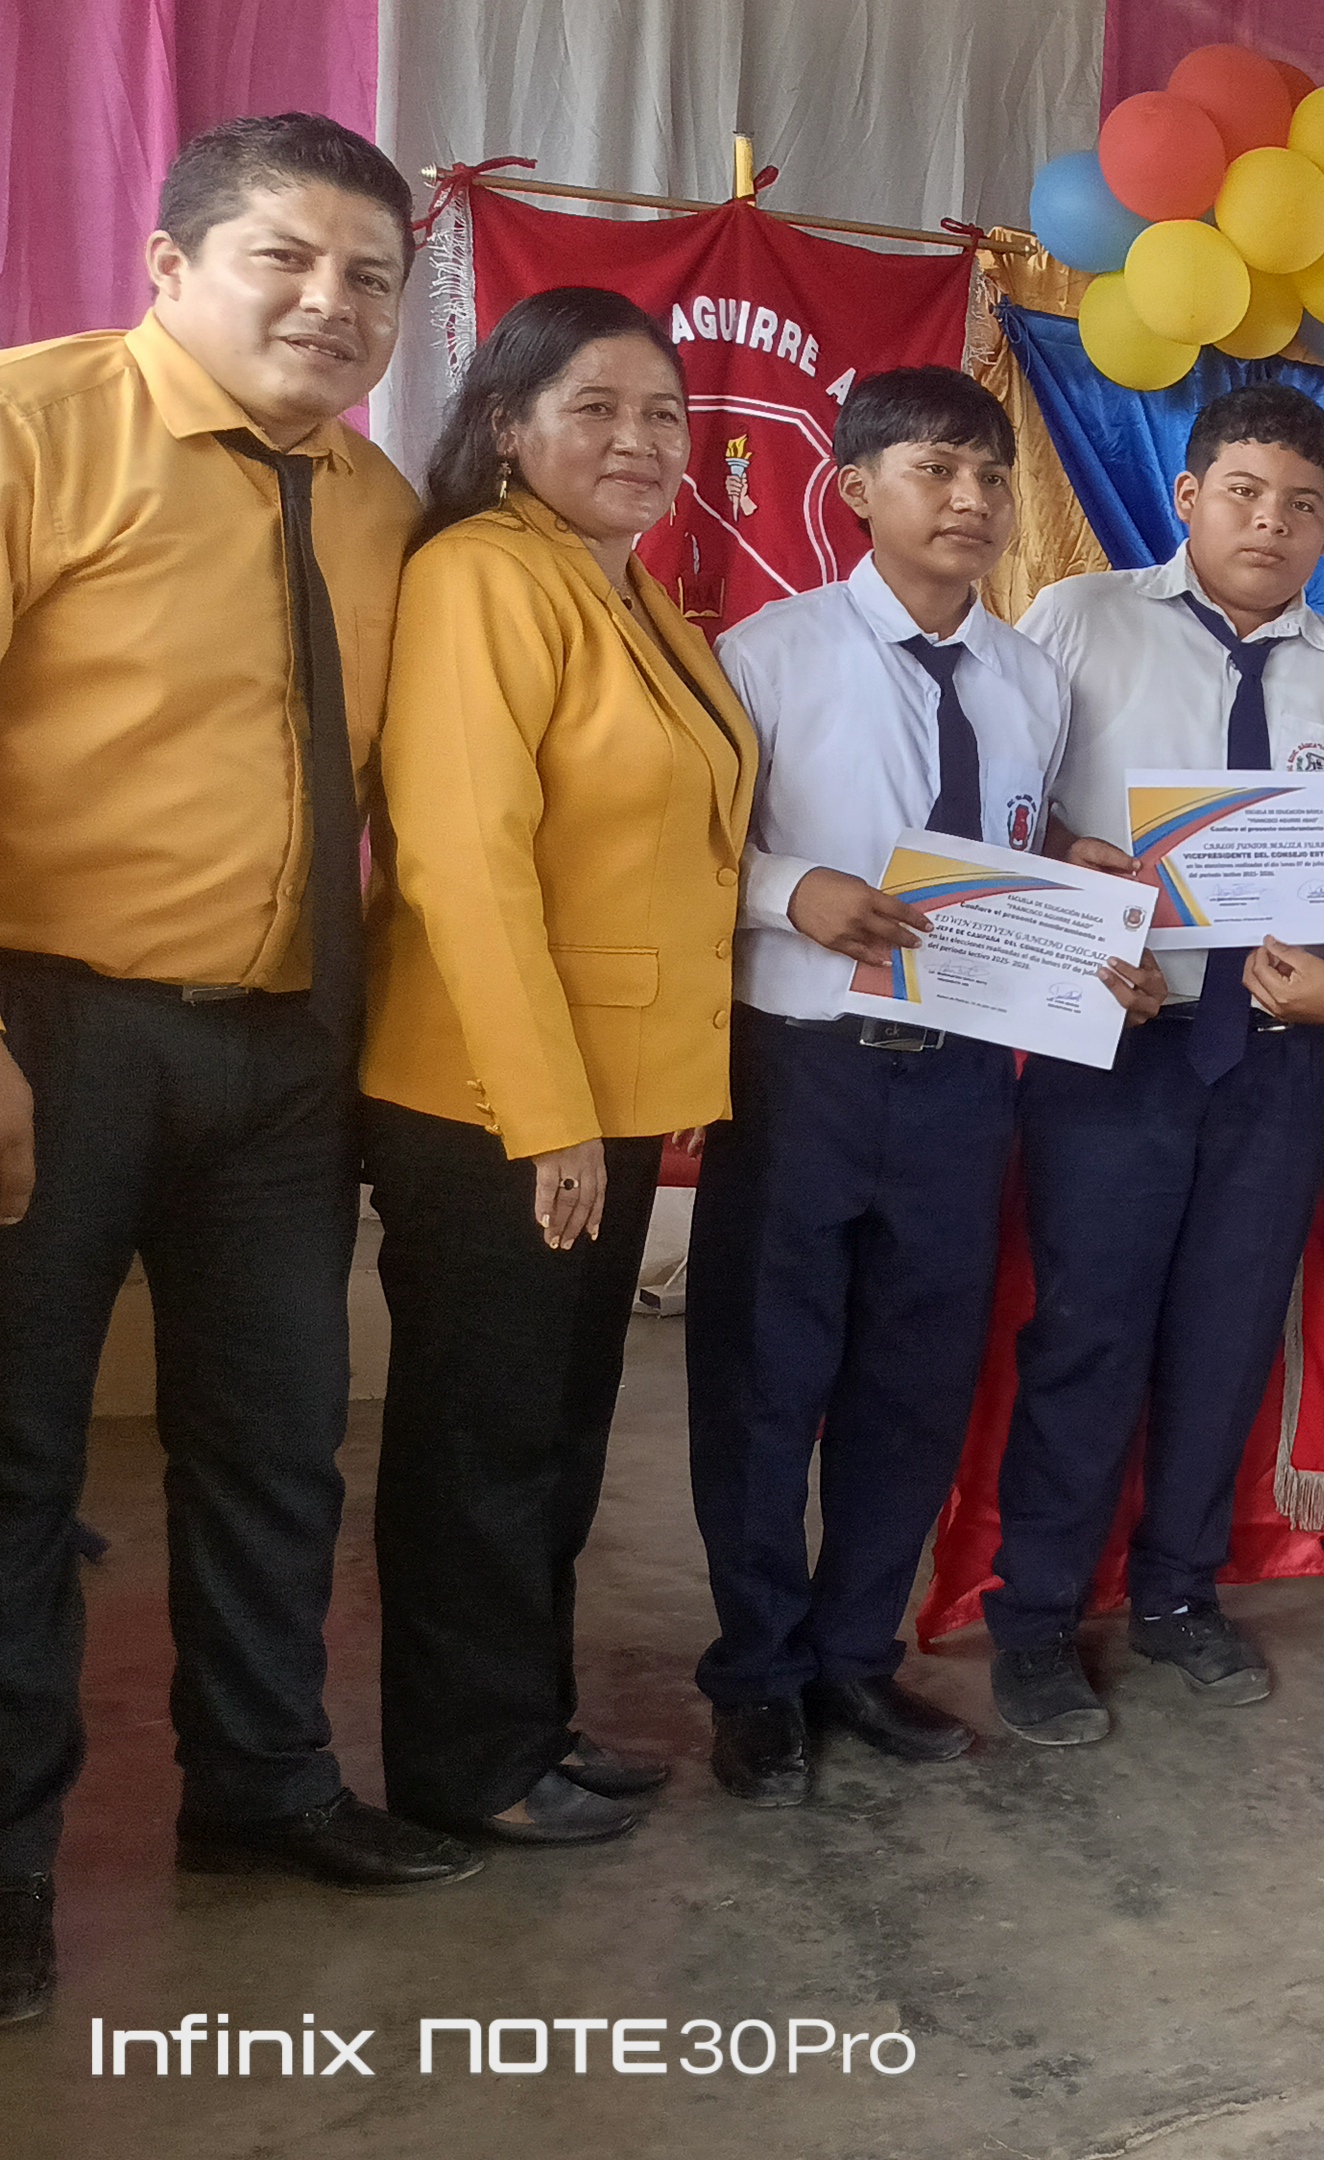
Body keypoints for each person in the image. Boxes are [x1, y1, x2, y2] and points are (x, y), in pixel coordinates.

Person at [0, 113, 474, 2018]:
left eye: (372, 277)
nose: (330, 303)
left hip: (283, 1055)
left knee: (278, 1440)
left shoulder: (377, 505)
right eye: (285, 256)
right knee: (16, 1462)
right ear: (169, 265)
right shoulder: (37, 426)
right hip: (52, 1029)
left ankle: (264, 1787)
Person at [689, 367, 1131, 1804]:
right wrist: (790, 892)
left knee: (913, 1385)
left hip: (962, 1081)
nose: (971, 499)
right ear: (855, 489)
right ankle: (758, 1676)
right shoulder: (767, 655)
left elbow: (1015, 846)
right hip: (803, 1070)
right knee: (766, 1383)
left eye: (990, 475)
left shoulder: (1029, 680)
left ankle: (853, 1655)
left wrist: (1075, 884)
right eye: (935, 468)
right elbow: (687, 848)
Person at [363, 287, 754, 1847]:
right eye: (594, 407)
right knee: (483, 1444)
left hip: (607, 1097)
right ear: (507, 427)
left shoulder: (629, 593)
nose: (637, 439)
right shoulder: (480, 575)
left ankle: (526, 1723)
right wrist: (547, 1120)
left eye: (663, 413)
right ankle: (466, 1768)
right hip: (495, 1105)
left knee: (555, 1434)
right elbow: (466, 864)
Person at [992, 384, 1324, 1742]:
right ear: (1188, 497)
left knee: (1228, 1335)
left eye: (1303, 505)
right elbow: (1014, 818)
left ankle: (1180, 1592)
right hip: (1117, 1045)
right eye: (1244, 493)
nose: (1271, 523)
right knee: (1088, 1331)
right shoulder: (1079, 620)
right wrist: (1079, 889)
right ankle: (1037, 1614)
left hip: (1276, 1061)